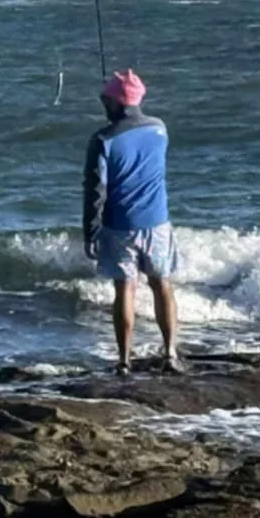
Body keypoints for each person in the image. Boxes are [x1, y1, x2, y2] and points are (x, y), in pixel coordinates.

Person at [82, 68, 183, 375]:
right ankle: (170, 354)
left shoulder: (102, 140)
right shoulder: (160, 128)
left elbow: (95, 189)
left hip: (118, 226)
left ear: (116, 102)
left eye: (106, 99)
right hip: (157, 223)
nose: (103, 103)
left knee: (125, 290)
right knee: (161, 285)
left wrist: (90, 230)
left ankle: (124, 361)